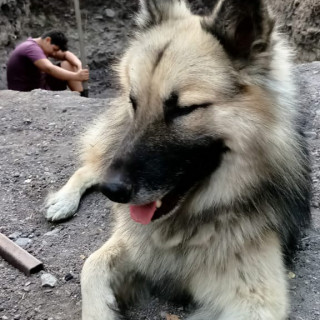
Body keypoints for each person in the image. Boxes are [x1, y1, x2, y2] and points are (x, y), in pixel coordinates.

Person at [6, 30, 89, 93]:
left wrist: (79, 66)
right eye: (54, 50)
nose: (54, 54)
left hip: (41, 85)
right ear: (48, 40)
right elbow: (49, 68)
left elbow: (65, 54)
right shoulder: (31, 48)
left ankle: (82, 97)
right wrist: (76, 76)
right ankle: (82, 101)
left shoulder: (42, 46)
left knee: (68, 64)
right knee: (64, 68)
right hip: (25, 91)